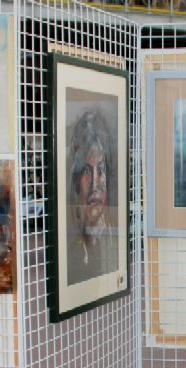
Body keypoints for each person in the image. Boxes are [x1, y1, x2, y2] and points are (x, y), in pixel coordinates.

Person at [66, 108, 118, 285]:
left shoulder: (115, 238)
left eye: (101, 170)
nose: (95, 184)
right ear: (76, 180)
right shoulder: (71, 247)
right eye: (87, 171)